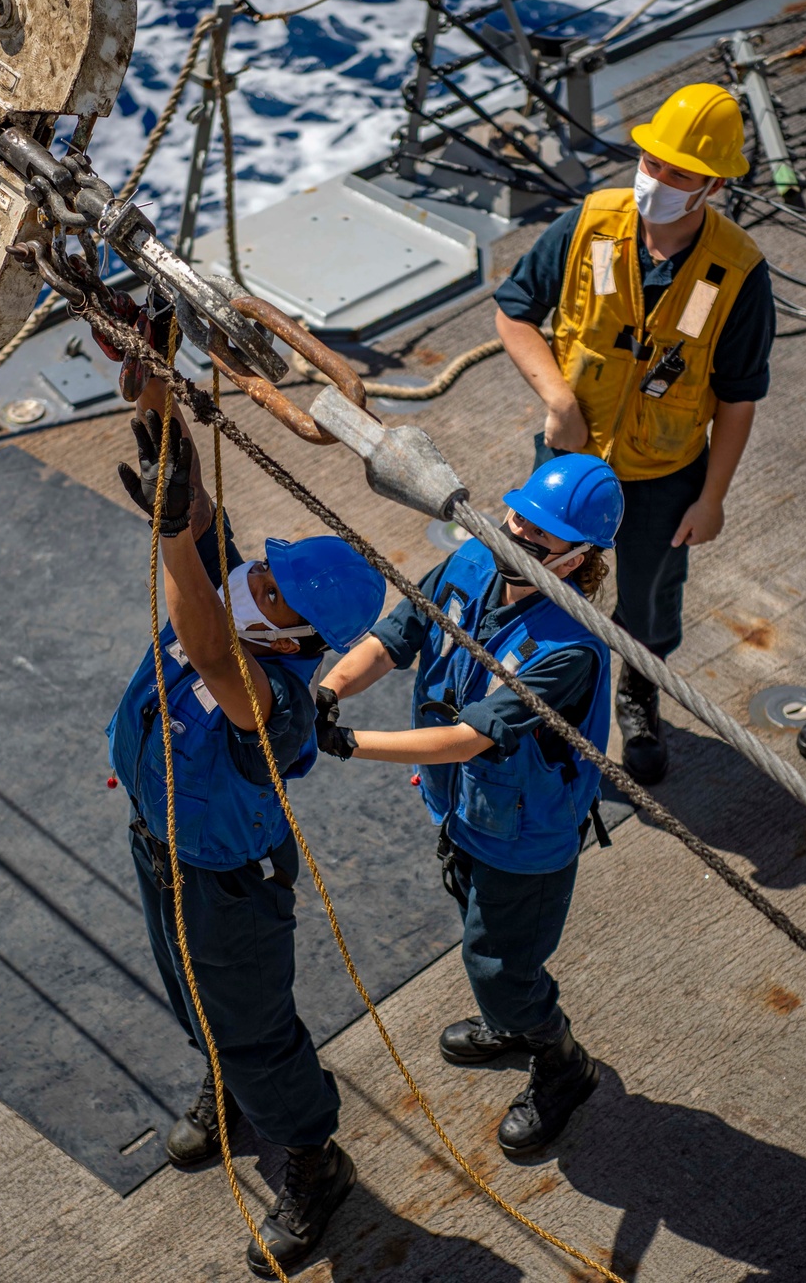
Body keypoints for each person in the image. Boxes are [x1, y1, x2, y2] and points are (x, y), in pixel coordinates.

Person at [106, 356, 385, 1278]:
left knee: (258, 1030)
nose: (254, 581)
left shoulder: (277, 696)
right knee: (192, 1000)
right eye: (265, 570)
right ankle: (225, 1085)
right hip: (161, 851)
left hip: (228, 887)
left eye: (273, 593)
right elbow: (181, 488)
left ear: (302, 640)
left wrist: (173, 546)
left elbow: (212, 655)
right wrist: (144, 375)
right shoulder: (233, 585)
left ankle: (313, 1157)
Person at [314, 455, 624, 1157]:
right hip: (461, 812)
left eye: (536, 535)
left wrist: (345, 742)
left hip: (525, 841)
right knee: (477, 927)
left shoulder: (568, 648)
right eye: (515, 517)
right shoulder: (471, 569)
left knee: (499, 964)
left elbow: (470, 737)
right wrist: (325, 692)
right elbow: (395, 641)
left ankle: (560, 1062)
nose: (512, 533)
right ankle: (510, 1017)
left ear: (575, 560)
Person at [494, 83, 774, 784]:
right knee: (540, 576)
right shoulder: (588, 223)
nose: (656, 181)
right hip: (570, 458)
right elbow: (515, 312)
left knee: (649, 597)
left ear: (712, 184)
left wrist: (711, 499)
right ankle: (539, 687)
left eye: (679, 173)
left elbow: (738, 400)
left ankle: (638, 692)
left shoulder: (738, 271)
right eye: (651, 163)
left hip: (664, 473)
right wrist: (557, 398)